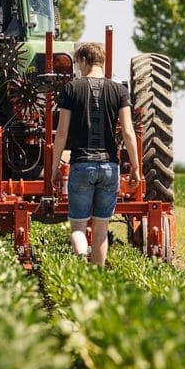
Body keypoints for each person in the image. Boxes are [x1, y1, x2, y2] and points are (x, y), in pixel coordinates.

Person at [51, 43, 141, 265]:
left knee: (78, 228)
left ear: (84, 60)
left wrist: (54, 168)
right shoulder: (120, 91)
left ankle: (82, 259)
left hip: (81, 166)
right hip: (110, 168)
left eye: (78, 64)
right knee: (101, 230)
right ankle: (96, 279)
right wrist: (136, 168)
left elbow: (61, 133)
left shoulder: (71, 89)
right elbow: (128, 132)